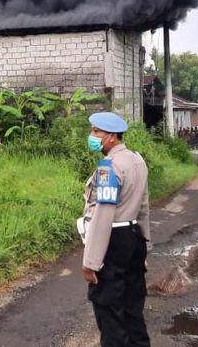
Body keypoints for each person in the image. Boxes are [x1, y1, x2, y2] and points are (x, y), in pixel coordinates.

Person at [81, 112, 151, 347]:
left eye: (96, 132)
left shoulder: (108, 167)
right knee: (133, 310)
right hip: (134, 237)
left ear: (111, 137)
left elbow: (103, 215)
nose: (92, 136)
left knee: (109, 309)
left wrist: (91, 262)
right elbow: (143, 206)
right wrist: (145, 247)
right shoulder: (137, 160)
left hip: (113, 239)